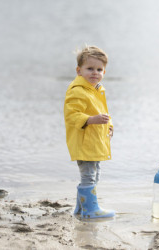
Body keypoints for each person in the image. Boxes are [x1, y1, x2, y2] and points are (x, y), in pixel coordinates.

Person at [64, 46, 115, 219]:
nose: (95, 73)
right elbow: (72, 115)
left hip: (94, 141)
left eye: (99, 69)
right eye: (90, 69)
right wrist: (91, 119)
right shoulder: (77, 90)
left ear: (104, 72)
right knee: (89, 176)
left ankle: (80, 208)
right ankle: (90, 210)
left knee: (95, 174)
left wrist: (109, 125)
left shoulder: (97, 89)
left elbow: (102, 111)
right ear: (79, 71)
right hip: (84, 142)